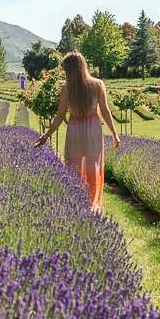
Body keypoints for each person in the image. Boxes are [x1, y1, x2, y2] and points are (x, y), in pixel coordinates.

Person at [35, 52, 120, 211]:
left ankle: (76, 206)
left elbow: (60, 116)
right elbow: (105, 111)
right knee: (93, 166)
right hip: (93, 130)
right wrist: (114, 134)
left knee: (73, 168)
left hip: (74, 131)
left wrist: (47, 135)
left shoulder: (66, 89)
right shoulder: (97, 84)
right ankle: (92, 207)